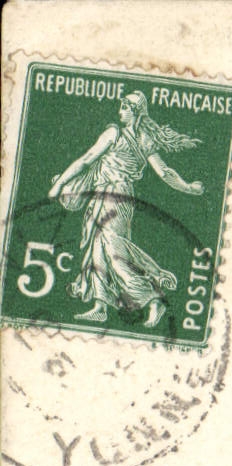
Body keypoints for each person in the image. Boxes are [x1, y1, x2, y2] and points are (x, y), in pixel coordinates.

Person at [48, 91, 204, 327]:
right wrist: (189, 187)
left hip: (114, 197)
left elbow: (86, 159)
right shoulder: (143, 139)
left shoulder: (118, 134)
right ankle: (100, 306)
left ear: (134, 111)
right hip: (107, 195)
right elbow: (165, 173)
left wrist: (60, 184)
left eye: (123, 107)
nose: (119, 110)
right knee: (97, 248)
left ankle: (152, 298)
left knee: (113, 250)